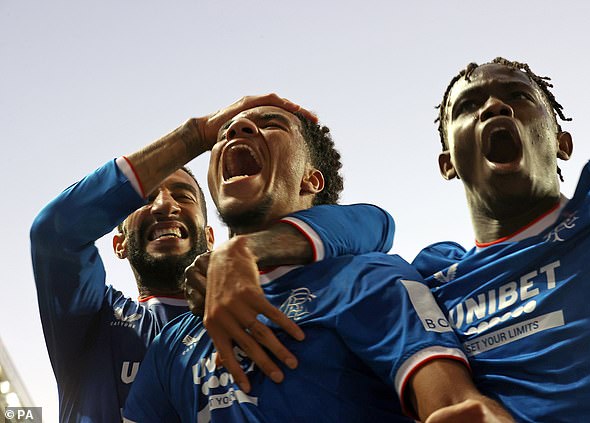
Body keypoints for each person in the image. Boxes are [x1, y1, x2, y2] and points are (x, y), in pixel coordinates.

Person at [197, 59, 590, 421]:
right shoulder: (432, 275)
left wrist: (245, 249)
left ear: (563, 141)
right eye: (468, 105)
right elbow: (366, 230)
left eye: (519, 97)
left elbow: (372, 223)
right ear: (447, 163)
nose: (496, 106)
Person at [122, 103, 512, 422]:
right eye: (225, 132)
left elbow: (453, 405)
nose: (237, 128)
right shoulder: (175, 340)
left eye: (271, 125)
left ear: (311, 180)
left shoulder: (367, 278)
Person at [30, 94, 392, 422]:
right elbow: (55, 233)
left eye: (184, 196)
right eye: (145, 199)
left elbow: (374, 223)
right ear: (119, 244)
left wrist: (248, 249)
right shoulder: (94, 322)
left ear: (210, 237)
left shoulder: (303, 294)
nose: (164, 206)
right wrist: (195, 136)